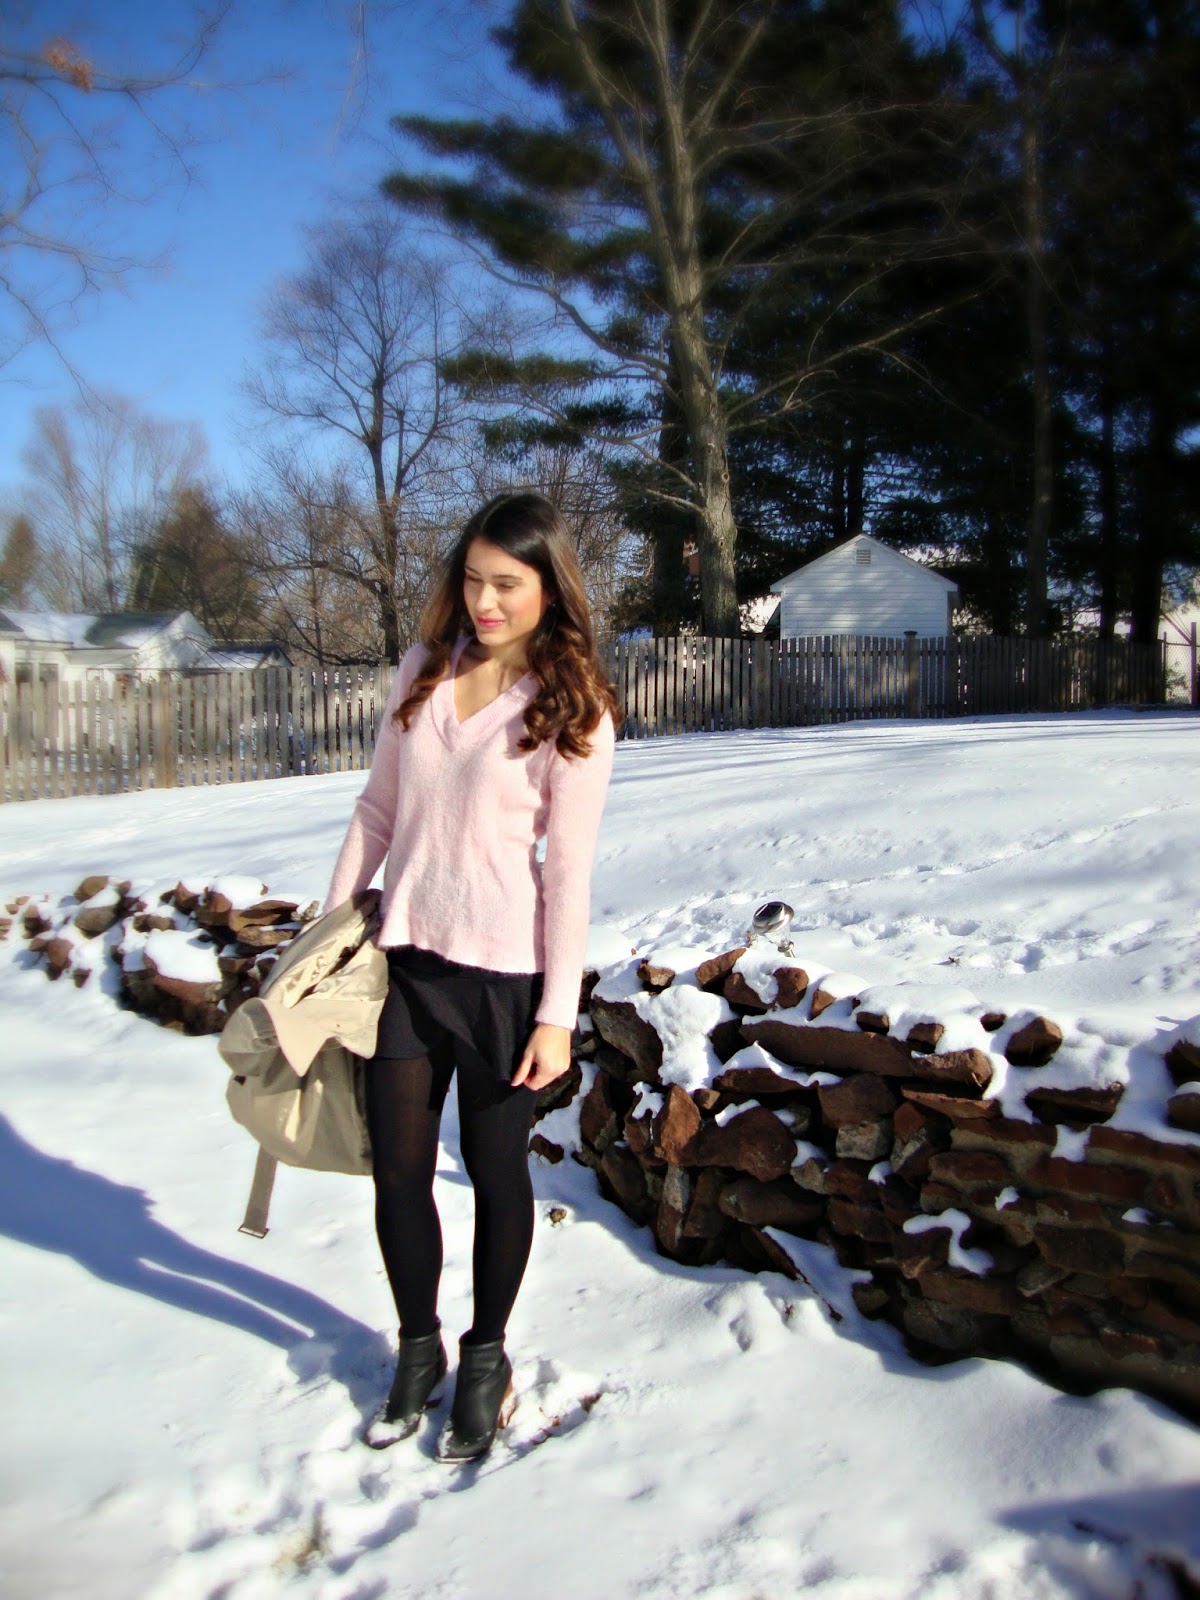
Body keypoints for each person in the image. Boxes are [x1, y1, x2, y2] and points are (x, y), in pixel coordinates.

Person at [323, 490, 619, 1462]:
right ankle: (418, 1346)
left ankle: (485, 1356)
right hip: (406, 962)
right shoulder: (421, 669)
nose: (484, 602)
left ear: (549, 590)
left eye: (507, 584)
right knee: (399, 1171)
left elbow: (569, 874)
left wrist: (557, 1014)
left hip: (502, 983)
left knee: (496, 1176)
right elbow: (376, 809)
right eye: (472, 579)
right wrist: (331, 931)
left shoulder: (572, 707)